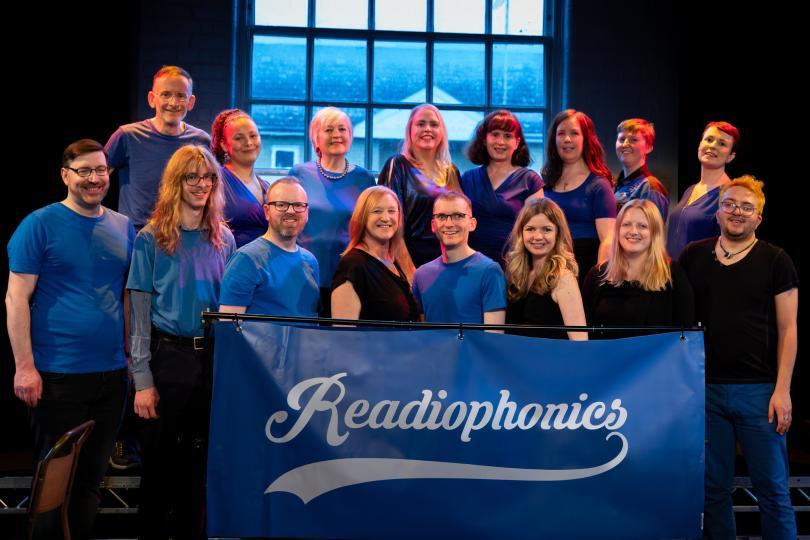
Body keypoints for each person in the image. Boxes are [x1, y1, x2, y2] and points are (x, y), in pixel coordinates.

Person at [7, 139, 134, 538]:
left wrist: (131, 358)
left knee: (90, 484)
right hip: (56, 376)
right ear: (66, 175)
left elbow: (126, 296)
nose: (95, 178)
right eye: (85, 171)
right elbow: (16, 299)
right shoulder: (39, 224)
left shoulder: (123, 226)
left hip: (111, 376)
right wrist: (24, 367)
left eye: (101, 170)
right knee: (53, 484)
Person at [126, 145, 235, 538]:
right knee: (158, 470)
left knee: (198, 469)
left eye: (208, 177)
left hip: (210, 362)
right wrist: (142, 379)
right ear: (176, 183)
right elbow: (138, 313)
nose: (202, 185)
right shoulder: (151, 238)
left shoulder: (223, 238)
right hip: (165, 359)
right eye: (192, 177)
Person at [680, 176, 798, 539]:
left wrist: (782, 391)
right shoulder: (693, 256)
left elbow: (789, 329)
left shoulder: (776, 260)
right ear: (717, 212)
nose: (737, 212)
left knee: (773, 491)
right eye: (730, 204)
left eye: (747, 207)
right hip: (706, 392)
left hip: (759, 393)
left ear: (758, 218)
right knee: (713, 490)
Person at [290, 107, 375, 315]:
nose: (336, 135)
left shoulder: (364, 179)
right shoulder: (299, 174)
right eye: (329, 130)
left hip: (349, 275)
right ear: (316, 138)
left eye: (342, 129)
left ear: (350, 136)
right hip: (303, 272)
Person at [106, 65, 211, 230]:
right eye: (166, 94)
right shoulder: (127, 136)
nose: (173, 102)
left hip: (182, 235)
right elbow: (97, 177)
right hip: (135, 234)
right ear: (152, 99)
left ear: (191, 102)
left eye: (180, 96)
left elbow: (210, 189)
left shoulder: (201, 141)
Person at [582, 199, 693, 338]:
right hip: (605, 358)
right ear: (618, 230)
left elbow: (685, 334)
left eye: (642, 226)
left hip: (656, 359)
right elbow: (583, 332)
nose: (633, 231)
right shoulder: (597, 275)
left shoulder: (673, 275)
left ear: (655, 233)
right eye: (626, 224)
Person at [219, 177, 320, 317]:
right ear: (267, 212)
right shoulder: (245, 260)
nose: (291, 211)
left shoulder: (311, 262)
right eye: (281, 205)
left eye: (298, 205)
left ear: (307, 212)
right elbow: (228, 327)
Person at [378, 104, 462, 267]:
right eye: (421, 124)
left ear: (442, 131)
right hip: (408, 263)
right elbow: (390, 227)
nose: (428, 129)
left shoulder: (451, 171)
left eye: (434, 124)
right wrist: (410, 274)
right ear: (410, 130)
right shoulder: (397, 165)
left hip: (448, 265)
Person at [541, 109, 616, 283]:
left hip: (584, 270)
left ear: (586, 139)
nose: (567, 139)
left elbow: (608, 239)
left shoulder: (599, 186)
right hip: (549, 267)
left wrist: (598, 282)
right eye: (561, 133)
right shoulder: (546, 184)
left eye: (574, 133)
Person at [461, 109, 544, 265]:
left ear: (517, 142)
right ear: (484, 139)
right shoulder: (466, 179)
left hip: (515, 267)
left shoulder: (530, 181)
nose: (500, 142)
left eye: (507, 136)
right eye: (495, 134)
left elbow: (536, 231)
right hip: (471, 265)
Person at [412, 192, 507, 326]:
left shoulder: (489, 272)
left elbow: (494, 338)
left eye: (458, 216)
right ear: (433, 225)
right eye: (442, 216)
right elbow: (421, 335)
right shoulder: (421, 275)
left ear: (472, 223)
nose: (449, 223)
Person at [331, 185, 419, 322]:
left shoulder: (393, 263)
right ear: (362, 217)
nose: (385, 218)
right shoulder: (353, 266)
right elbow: (344, 335)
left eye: (391, 211)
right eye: (377, 211)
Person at [504, 198, 586, 340]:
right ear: (521, 233)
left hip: (551, 360)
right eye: (530, 229)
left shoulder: (563, 278)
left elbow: (580, 341)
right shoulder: (515, 274)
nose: (538, 236)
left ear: (557, 234)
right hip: (514, 359)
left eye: (547, 230)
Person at [666, 121, 739, 258]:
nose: (712, 146)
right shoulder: (690, 190)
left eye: (722, 144)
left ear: (730, 156)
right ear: (700, 144)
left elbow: (730, 251)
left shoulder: (730, 195)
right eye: (709, 140)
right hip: (672, 275)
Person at [211, 109, 271, 248]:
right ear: (224, 145)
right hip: (229, 264)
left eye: (253, 136)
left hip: (264, 265)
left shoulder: (267, 186)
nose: (249, 142)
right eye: (239, 138)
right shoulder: (215, 181)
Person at [613, 118, 669, 220]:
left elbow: (652, 233)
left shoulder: (651, 188)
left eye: (633, 140)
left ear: (648, 147)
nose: (625, 144)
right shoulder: (613, 185)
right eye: (621, 139)